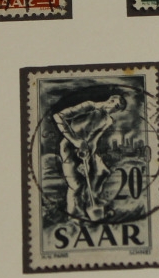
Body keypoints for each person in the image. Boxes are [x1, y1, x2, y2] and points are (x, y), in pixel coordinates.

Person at [53, 93, 128, 222]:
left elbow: (94, 139)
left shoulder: (108, 120)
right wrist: (75, 141)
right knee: (76, 185)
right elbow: (58, 116)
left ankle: (92, 206)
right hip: (69, 147)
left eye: (117, 109)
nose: (113, 110)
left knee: (102, 172)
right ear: (110, 100)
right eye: (115, 105)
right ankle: (74, 217)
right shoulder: (89, 106)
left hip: (86, 150)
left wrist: (87, 158)